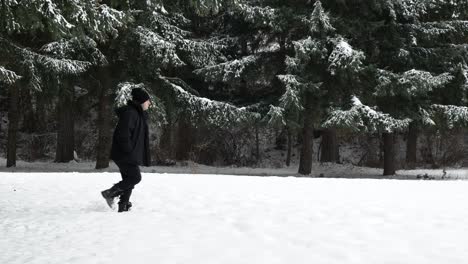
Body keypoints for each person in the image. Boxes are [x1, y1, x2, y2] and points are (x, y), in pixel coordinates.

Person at [101, 88, 151, 212]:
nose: (149, 103)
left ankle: (123, 205)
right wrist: (129, 151)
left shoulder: (137, 114)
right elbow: (123, 134)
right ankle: (110, 193)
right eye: (147, 101)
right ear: (141, 102)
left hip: (127, 153)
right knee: (135, 177)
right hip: (125, 153)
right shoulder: (130, 113)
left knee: (128, 179)